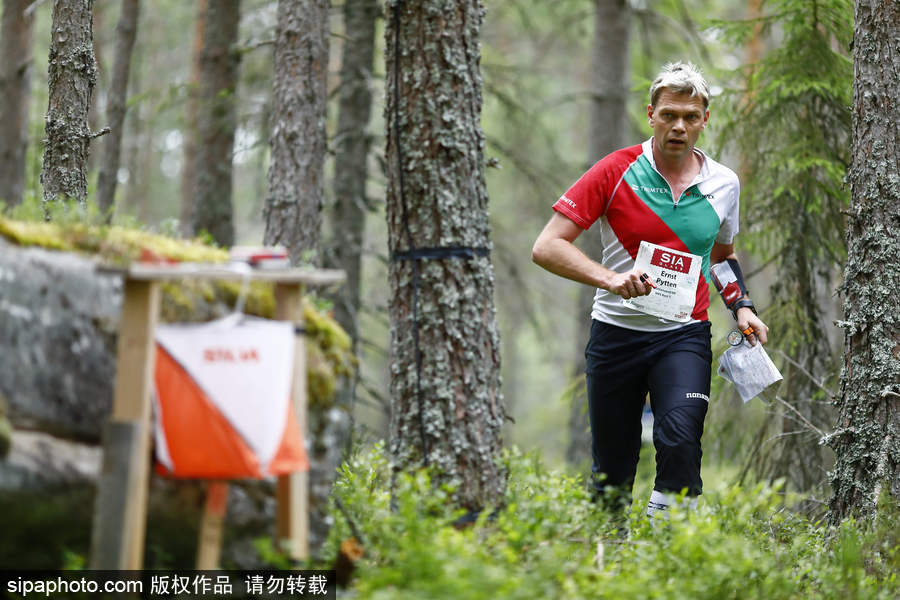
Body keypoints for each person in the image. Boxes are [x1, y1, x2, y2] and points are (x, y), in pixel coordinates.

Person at [532, 62, 769, 518]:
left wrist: (742, 307)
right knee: (612, 468)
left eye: (690, 117)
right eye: (669, 115)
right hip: (616, 334)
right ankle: (612, 550)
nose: (679, 126)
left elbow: (721, 257)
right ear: (651, 115)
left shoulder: (724, 183)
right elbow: (546, 247)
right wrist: (611, 279)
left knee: (681, 441)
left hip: (683, 336)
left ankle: (668, 546)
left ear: (704, 120)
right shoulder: (615, 170)